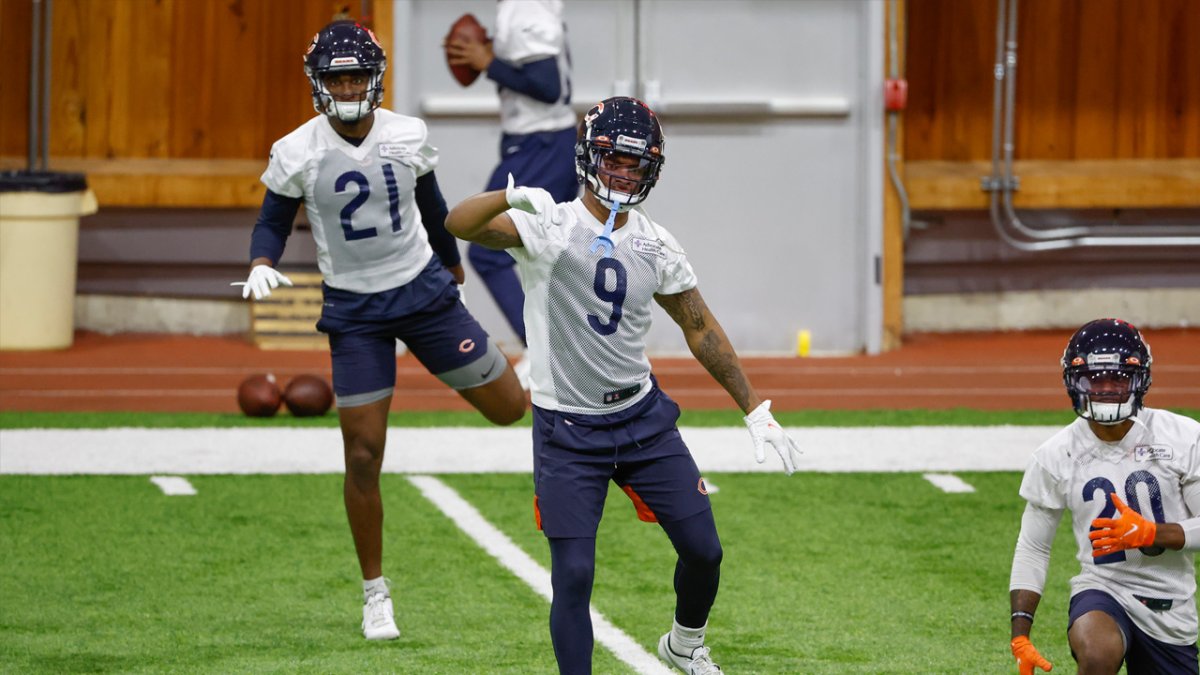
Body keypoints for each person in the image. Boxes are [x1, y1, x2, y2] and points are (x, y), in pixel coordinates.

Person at [446, 96, 803, 674]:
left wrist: (753, 408)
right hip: (566, 426)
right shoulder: (550, 226)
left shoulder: (656, 244)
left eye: (635, 165)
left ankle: (685, 644)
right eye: (613, 159)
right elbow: (458, 222)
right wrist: (510, 195)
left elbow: (700, 327)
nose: (622, 173)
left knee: (705, 551)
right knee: (574, 574)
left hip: (642, 420)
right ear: (589, 156)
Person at [234, 20, 526, 641]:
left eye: (356, 76)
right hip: (356, 311)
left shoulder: (406, 134)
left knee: (510, 408)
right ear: (318, 83)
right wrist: (261, 263)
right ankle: (375, 593)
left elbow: (432, 205)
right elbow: (272, 221)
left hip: (422, 292)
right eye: (336, 77)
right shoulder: (298, 149)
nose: (346, 87)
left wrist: (451, 266)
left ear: (375, 80)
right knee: (364, 456)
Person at [1008, 318, 1200, 674]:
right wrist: (1020, 634)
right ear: (1075, 382)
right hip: (1103, 588)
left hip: (1171, 605)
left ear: (1139, 380)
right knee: (1097, 653)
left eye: (1118, 379)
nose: (1108, 389)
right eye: (1095, 380)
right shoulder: (1056, 454)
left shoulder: (1183, 438)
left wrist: (1152, 533)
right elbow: (1033, 546)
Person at [444, 0, 577, 387]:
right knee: (553, 252)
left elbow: (548, 87)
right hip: (543, 142)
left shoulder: (526, 10)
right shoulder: (526, 8)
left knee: (485, 249)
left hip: (541, 144)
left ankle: (544, 350)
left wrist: (489, 62)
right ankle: (570, 349)